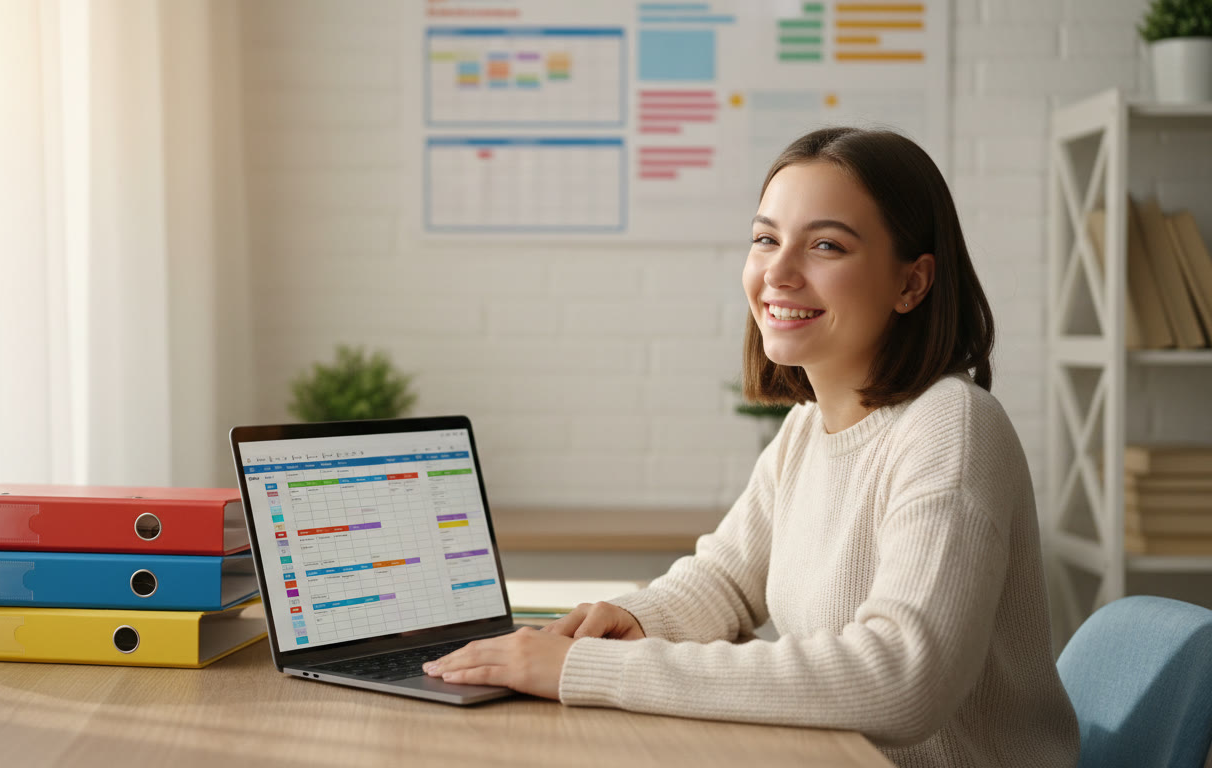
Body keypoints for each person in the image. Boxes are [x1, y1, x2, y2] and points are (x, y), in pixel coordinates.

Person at [423, 127, 1080, 766]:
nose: (779, 273)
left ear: (912, 283)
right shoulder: (805, 428)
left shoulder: (951, 428)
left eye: (826, 246)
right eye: (766, 239)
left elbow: (900, 678)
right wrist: (627, 620)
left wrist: (592, 668)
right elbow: (727, 584)